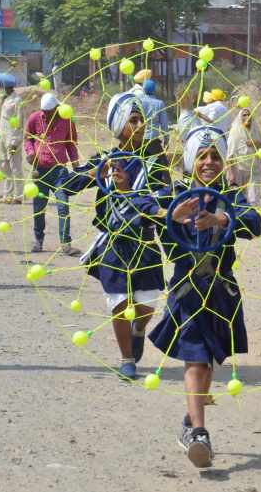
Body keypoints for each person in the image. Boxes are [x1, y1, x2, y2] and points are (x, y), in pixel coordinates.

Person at [149, 125, 261, 468]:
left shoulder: (233, 194)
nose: (209, 162)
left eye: (215, 156)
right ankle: (199, 433)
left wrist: (222, 217)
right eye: (202, 156)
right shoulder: (175, 193)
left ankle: (189, 421)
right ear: (190, 160)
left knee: (212, 361)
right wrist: (175, 216)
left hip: (222, 293)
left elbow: (254, 221)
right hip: (187, 293)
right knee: (195, 359)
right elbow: (148, 215)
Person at [62, 91, 171, 379]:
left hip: (144, 242)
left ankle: (138, 330)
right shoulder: (107, 160)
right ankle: (126, 358)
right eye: (133, 120)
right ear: (119, 125)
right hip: (114, 244)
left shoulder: (155, 160)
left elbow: (165, 196)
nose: (140, 125)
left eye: (142, 120)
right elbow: (67, 184)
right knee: (121, 302)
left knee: (146, 304)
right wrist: (97, 171)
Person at [24, 92, 81, 255]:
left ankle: (66, 244)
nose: (46, 115)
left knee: (63, 206)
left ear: (57, 108)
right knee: (39, 207)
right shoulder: (35, 118)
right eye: (44, 112)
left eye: (49, 112)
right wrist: (30, 152)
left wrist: (75, 164)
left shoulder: (67, 120)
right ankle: (38, 241)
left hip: (59, 171)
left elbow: (71, 143)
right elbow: (27, 138)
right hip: (39, 171)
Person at [227, 107, 261, 208]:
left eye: (249, 115)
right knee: (238, 198)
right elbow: (229, 155)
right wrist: (231, 174)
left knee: (254, 199)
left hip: (254, 169)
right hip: (239, 170)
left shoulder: (255, 130)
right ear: (240, 117)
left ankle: (253, 220)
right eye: (244, 115)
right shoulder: (235, 131)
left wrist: (255, 143)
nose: (247, 117)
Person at [0, 73, 24, 204]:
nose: (0, 88)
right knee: (3, 165)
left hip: (13, 139)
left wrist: (15, 141)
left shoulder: (17, 101)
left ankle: (18, 196)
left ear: (6, 86)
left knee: (15, 167)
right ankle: (7, 195)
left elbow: (19, 122)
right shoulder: (5, 98)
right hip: (2, 137)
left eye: (1, 85)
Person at [140, 79, 169, 154]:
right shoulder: (159, 104)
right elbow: (164, 124)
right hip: (153, 140)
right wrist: (166, 139)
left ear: (144, 89)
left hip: (140, 139)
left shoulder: (139, 102)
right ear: (154, 90)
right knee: (160, 164)